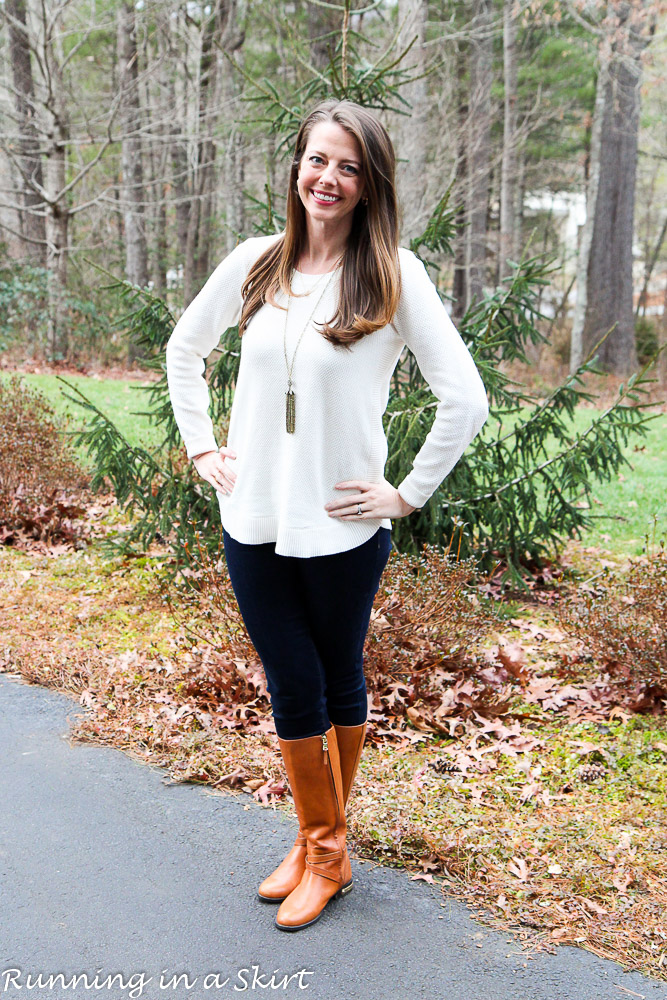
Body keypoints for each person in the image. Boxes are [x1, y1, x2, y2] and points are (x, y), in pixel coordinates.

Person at [165, 98, 489, 932]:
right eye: (317, 160)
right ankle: (322, 844)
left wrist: (406, 493)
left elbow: (465, 399)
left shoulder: (391, 276)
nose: (328, 179)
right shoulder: (255, 262)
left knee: (334, 676)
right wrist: (203, 448)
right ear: (296, 167)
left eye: (348, 166)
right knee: (293, 679)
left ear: (369, 182)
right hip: (254, 518)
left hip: (345, 526)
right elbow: (185, 349)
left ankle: (324, 851)